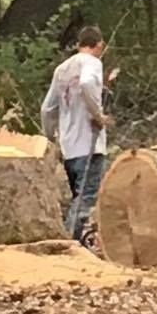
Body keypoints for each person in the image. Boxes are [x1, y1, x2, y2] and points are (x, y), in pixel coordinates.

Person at [40, 25, 112, 243]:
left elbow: (47, 109)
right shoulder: (92, 63)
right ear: (99, 45)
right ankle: (71, 245)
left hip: (69, 146)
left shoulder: (62, 69)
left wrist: (50, 137)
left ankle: (74, 242)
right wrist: (98, 115)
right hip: (89, 143)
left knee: (76, 198)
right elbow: (86, 83)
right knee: (84, 201)